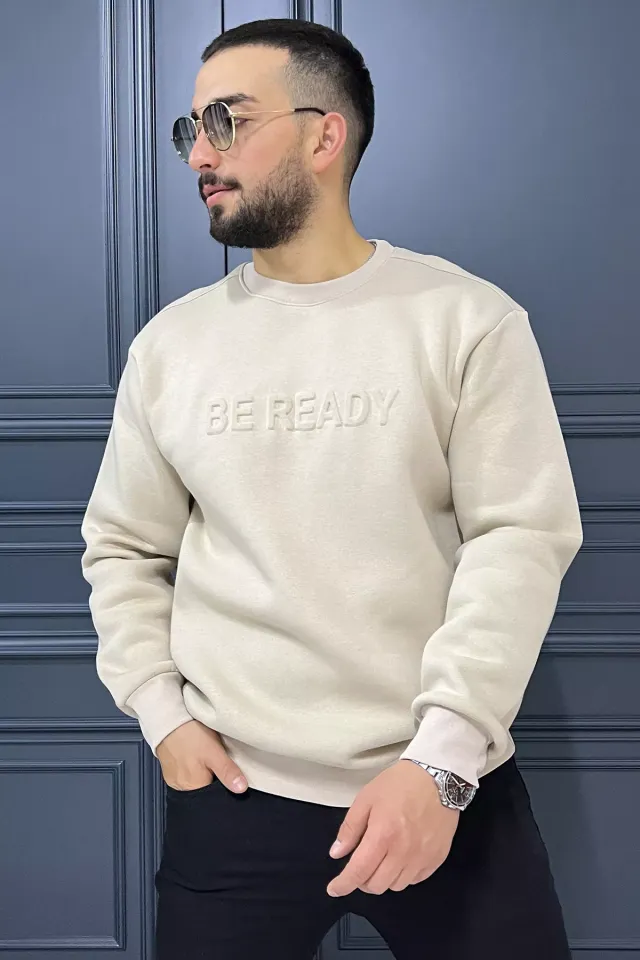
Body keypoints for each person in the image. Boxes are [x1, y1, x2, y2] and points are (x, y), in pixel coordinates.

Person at [80, 17, 582, 960]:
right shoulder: (171, 347)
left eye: (227, 121)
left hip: (444, 789)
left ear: (324, 135)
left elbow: (519, 540)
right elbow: (123, 548)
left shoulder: (465, 320)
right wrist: (162, 715)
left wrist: (441, 765)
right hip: (232, 796)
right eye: (192, 130)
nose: (200, 155)